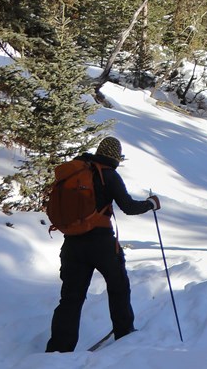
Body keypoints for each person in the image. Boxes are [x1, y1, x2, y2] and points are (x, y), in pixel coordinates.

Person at [46, 136, 160, 353]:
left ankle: (58, 350)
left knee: (71, 297)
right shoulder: (109, 174)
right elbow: (128, 207)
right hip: (101, 243)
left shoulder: (78, 171)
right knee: (118, 286)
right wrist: (151, 204)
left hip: (72, 244)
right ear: (116, 157)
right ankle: (124, 333)